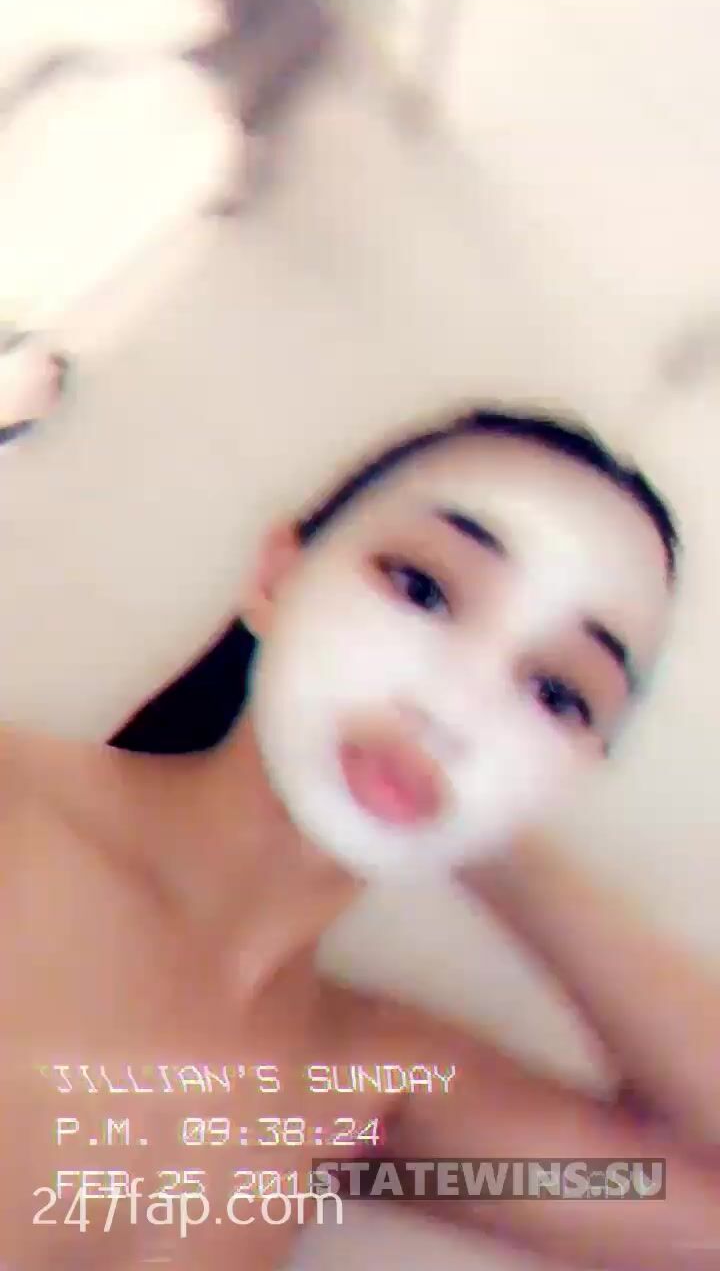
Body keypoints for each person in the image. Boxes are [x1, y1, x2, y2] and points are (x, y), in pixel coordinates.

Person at [2, 407, 719, 1271]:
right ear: (278, 577)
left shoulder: (361, 1090)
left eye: (556, 694)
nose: (456, 703)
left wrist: (496, 827)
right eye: (423, 589)